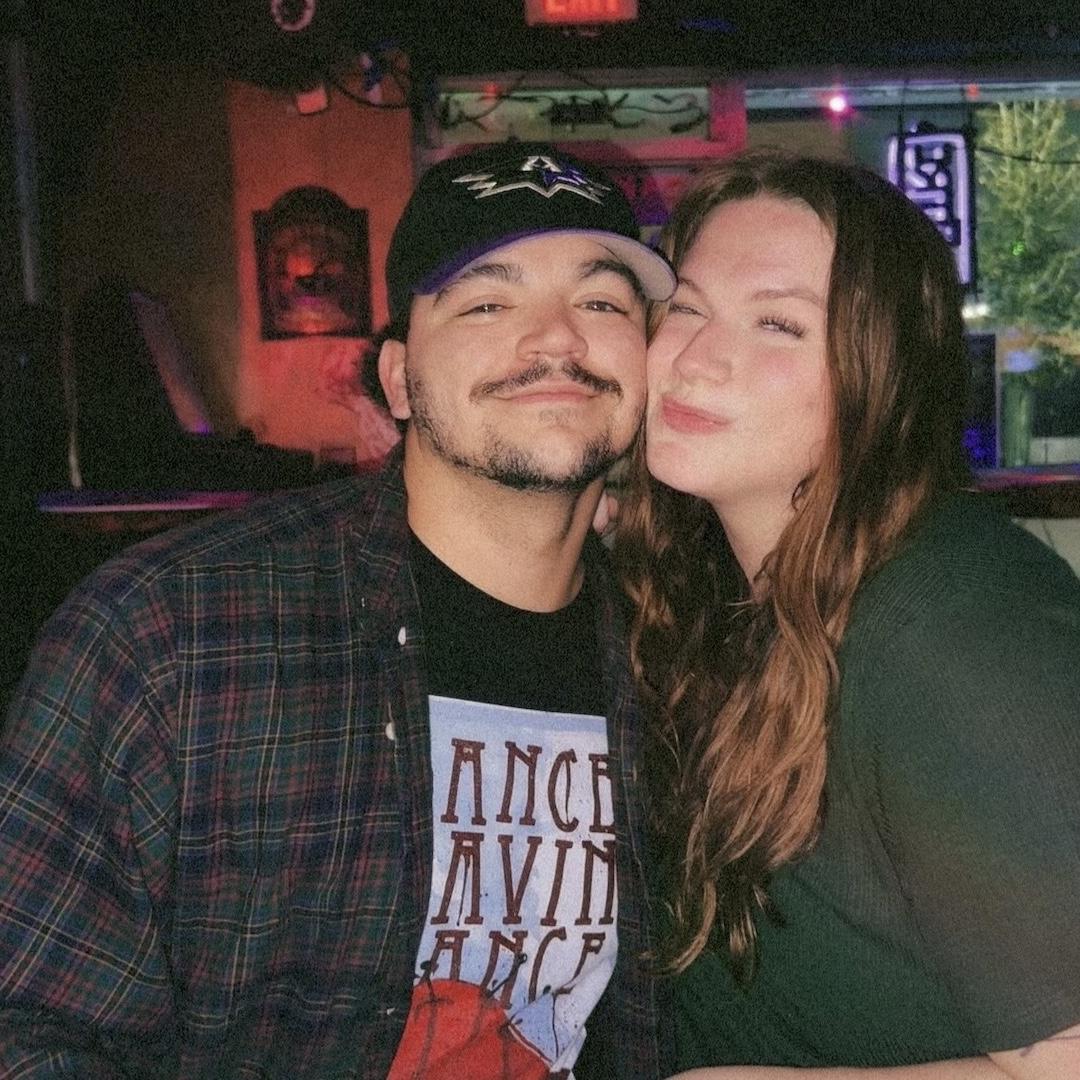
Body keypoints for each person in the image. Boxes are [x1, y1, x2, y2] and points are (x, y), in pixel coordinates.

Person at [0, 140, 676, 1079]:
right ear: (397, 379)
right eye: (487, 303)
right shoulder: (170, 637)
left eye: (602, 303)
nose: (557, 340)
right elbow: (28, 1027)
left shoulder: (684, 660)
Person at [615, 150, 1080, 1079]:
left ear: (882, 371)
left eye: (778, 324)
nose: (697, 358)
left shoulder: (952, 628)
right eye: (689, 308)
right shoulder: (716, 592)